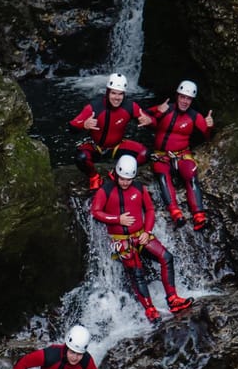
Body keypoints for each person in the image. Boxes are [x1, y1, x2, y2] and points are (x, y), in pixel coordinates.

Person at [91, 155, 194, 321]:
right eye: (122, 179)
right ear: (117, 174)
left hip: (141, 236)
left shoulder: (139, 188)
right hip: (119, 240)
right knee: (136, 271)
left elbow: (150, 210)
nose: (125, 182)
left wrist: (147, 231)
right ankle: (149, 309)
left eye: (128, 179)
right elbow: (95, 212)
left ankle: (173, 299)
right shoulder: (106, 190)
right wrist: (117, 219)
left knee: (166, 257)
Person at [147, 80, 215, 230]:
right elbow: (143, 116)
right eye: (182, 97)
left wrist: (209, 125)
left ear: (192, 100)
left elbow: (207, 135)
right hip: (161, 155)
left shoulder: (194, 117)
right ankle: (175, 213)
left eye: (188, 98)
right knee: (163, 176)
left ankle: (199, 215)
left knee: (191, 174)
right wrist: (158, 111)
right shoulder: (166, 109)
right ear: (177, 96)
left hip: (182, 155)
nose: (185, 101)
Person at [69, 73, 154, 191]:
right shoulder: (94, 107)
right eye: (113, 93)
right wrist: (83, 125)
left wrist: (150, 121)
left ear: (124, 94)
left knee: (145, 153)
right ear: (107, 92)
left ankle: (116, 173)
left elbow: (152, 123)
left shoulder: (130, 106)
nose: (117, 98)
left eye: (120, 94)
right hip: (96, 147)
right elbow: (71, 128)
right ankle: (94, 176)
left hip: (116, 147)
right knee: (81, 157)